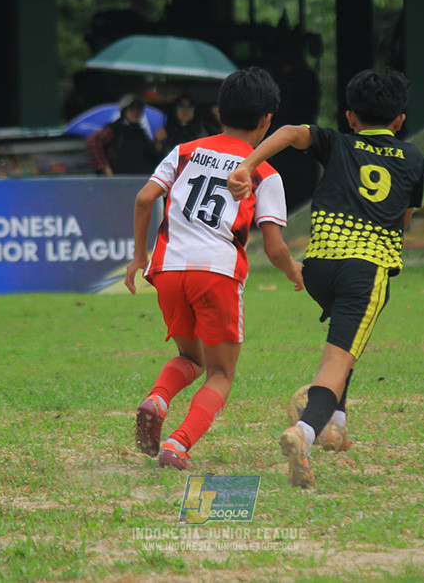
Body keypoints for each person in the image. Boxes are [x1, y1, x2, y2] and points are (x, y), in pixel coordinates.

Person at [227, 68, 424, 488]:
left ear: (350, 117)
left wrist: (247, 166)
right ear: (400, 121)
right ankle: (306, 430)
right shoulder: (413, 158)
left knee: (345, 341)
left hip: (318, 266)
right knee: (338, 360)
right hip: (366, 269)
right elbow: (404, 218)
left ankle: (335, 420)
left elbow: (286, 133)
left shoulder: (336, 141)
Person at [124, 67, 304, 470]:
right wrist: (294, 270)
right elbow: (274, 249)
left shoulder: (186, 150)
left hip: (168, 270)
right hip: (217, 272)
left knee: (192, 357)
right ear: (266, 121)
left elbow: (143, 199)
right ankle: (177, 444)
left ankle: (157, 398)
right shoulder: (266, 172)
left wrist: (140, 257)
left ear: (220, 110)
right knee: (221, 373)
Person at [86, 94, 160, 176]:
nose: (136, 112)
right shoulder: (115, 128)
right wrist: (105, 167)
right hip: (120, 180)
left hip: (140, 179)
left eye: (138, 108)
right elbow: (93, 141)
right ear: (124, 111)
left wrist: (159, 142)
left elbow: (151, 157)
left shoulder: (141, 132)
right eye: (131, 108)